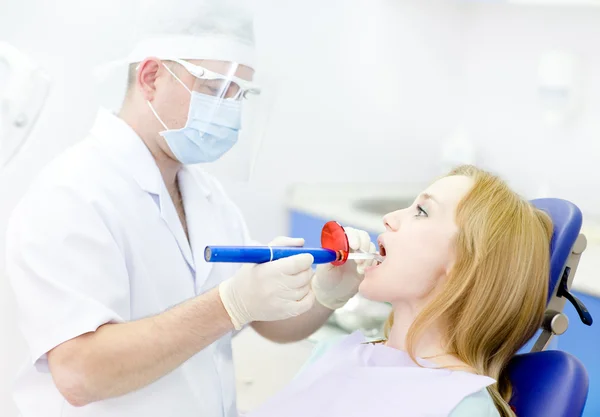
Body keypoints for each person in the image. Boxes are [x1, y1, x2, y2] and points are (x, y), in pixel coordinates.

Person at [4, 3, 377, 417]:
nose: (230, 109)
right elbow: (80, 374)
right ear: (151, 77)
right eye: (217, 88)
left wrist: (326, 294)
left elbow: (267, 320)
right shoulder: (73, 193)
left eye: (240, 93)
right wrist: (226, 305)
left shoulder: (204, 194)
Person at [245, 165, 553, 417]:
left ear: (466, 267)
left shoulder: (462, 407)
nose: (389, 218)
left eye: (421, 211)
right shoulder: (335, 353)